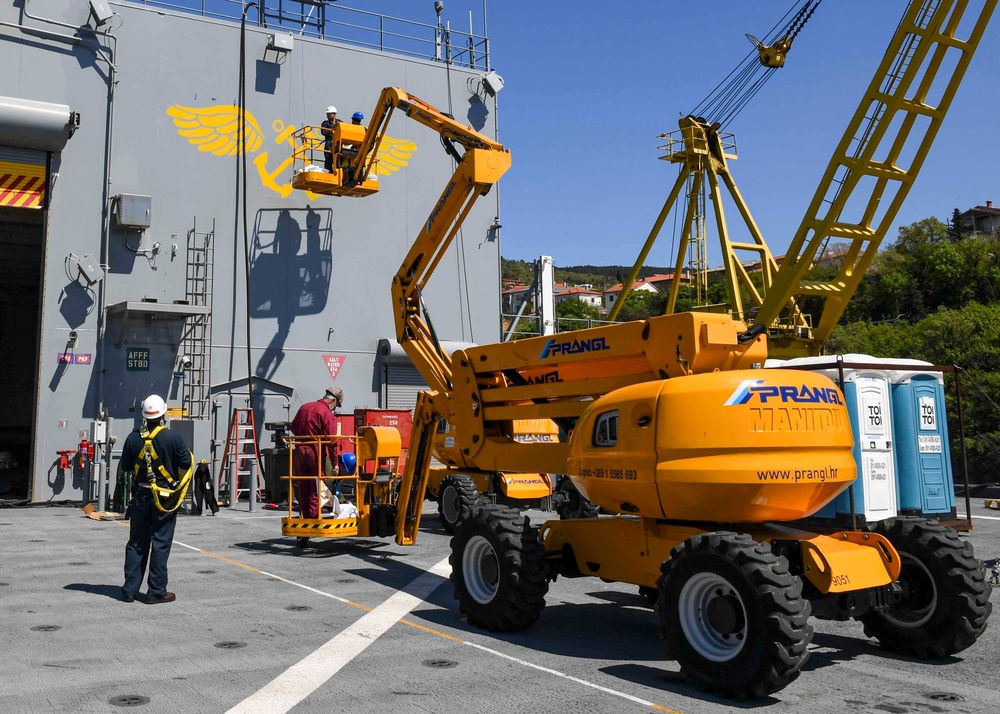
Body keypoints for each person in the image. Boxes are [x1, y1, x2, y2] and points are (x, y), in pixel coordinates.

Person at [120, 394, 192, 604]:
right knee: (160, 542)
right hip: (164, 497)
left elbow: (125, 466)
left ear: (144, 415)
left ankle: (130, 590)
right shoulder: (173, 437)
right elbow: (186, 463)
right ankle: (156, 591)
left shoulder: (133, 438)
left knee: (137, 542)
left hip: (141, 495)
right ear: (163, 414)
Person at [290, 387, 343, 545]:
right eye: (336, 405)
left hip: (300, 450)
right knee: (317, 487)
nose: (334, 408)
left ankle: (304, 522)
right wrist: (335, 464)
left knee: (303, 487)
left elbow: (293, 428)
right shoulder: (326, 413)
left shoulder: (304, 407)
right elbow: (332, 442)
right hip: (315, 452)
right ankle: (311, 524)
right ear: (332, 400)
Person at [320, 105, 340, 173]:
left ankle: (338, 173)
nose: (328, 115)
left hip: (338, 146)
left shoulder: (339, 123)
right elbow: (323, 132)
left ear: (334, 114)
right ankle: (328, 173)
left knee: (338, 162)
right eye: (327, 114)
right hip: (328, 146)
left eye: (329, 114)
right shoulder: (325, 123)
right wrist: (332, 131)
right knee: (328, 161)